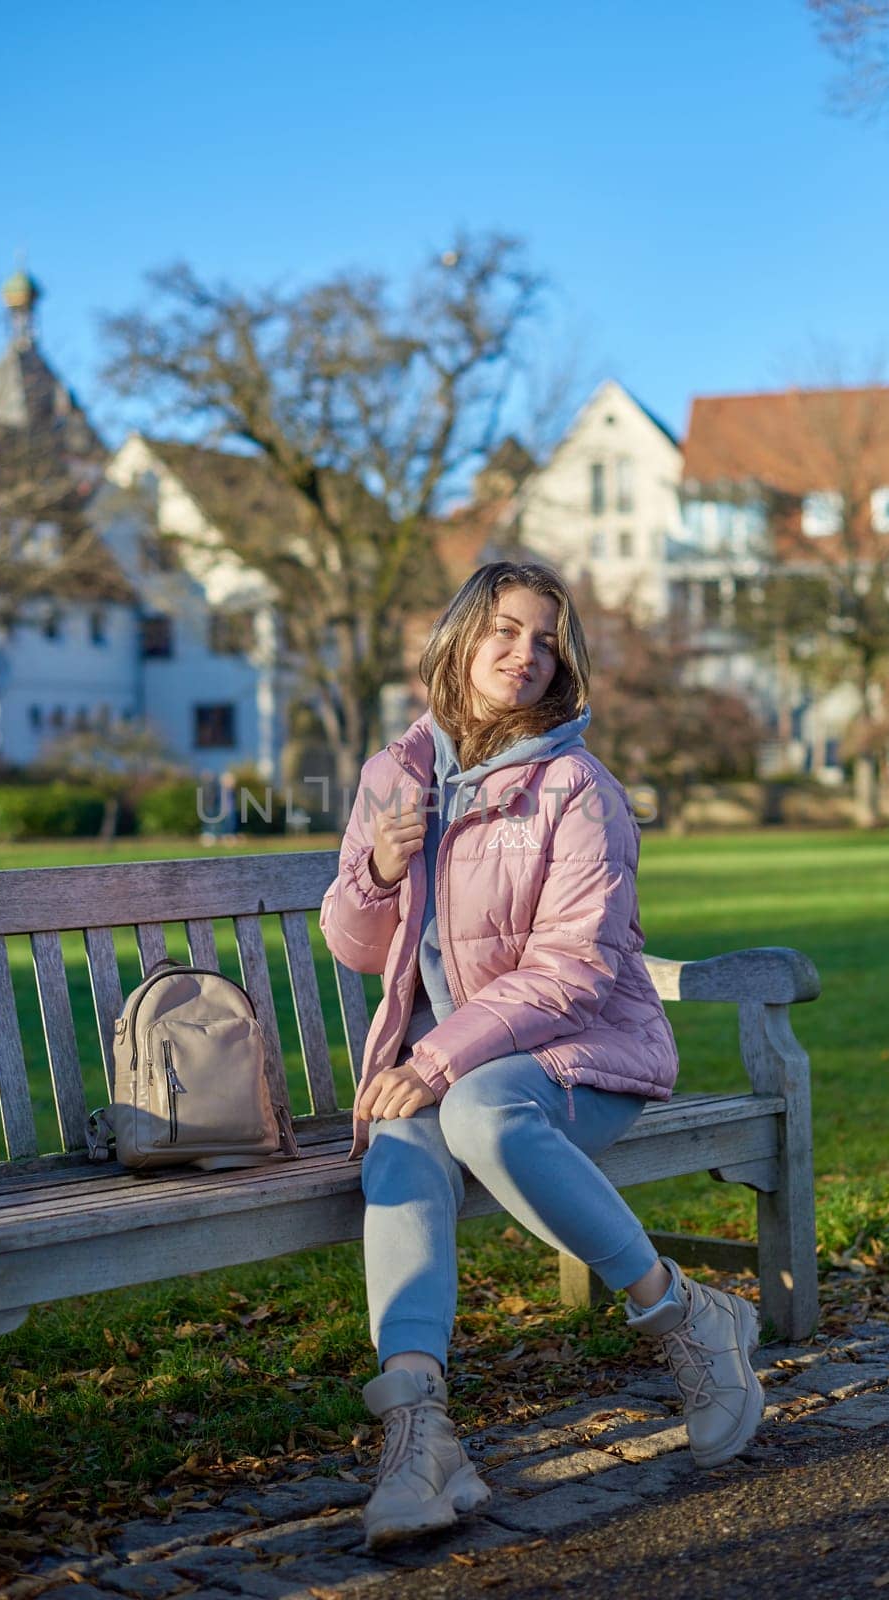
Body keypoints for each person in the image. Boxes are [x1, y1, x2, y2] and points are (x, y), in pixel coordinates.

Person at [319, 562, 764, 1551]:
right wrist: (382, 867)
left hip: (585, 1057)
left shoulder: (579, 789)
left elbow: (572, 970)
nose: (526, 654)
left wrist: (436, 1059)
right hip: (454, 1063)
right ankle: (420, 1433)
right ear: (460, 639)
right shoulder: (396, 774)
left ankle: (686, 1318)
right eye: (506, 632)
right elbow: (354, 945)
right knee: (403, 1132)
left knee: (472, 1108)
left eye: (547, 639)